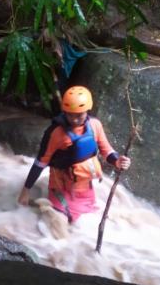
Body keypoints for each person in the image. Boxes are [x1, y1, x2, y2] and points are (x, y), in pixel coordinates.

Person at [17, 86, 132, 223]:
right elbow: (41, 162)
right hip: (60, 187)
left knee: (90, 222)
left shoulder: (95, 125)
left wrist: (117, 161)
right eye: (70, 114)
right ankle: (37, 205)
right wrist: (26, 190)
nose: (74, 119)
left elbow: (107, 150)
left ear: (87, 111)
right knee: (63, 222)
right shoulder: (55, 133)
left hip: (85, 188)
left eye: (79, 115)